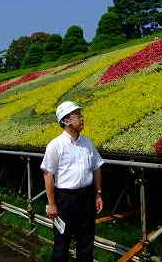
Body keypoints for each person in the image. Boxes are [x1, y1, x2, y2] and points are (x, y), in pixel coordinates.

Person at [40, 101, 104, 262]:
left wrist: (98, 194)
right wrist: (52, 203)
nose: (82, 119)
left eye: (81, 115)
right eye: (78, 115)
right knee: (62, 243)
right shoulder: (55, 145)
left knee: (86, 242)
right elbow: (48, 174)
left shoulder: (87, 143)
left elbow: (97, 168)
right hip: (65, 200)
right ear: (66, 121)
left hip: (86, 198)